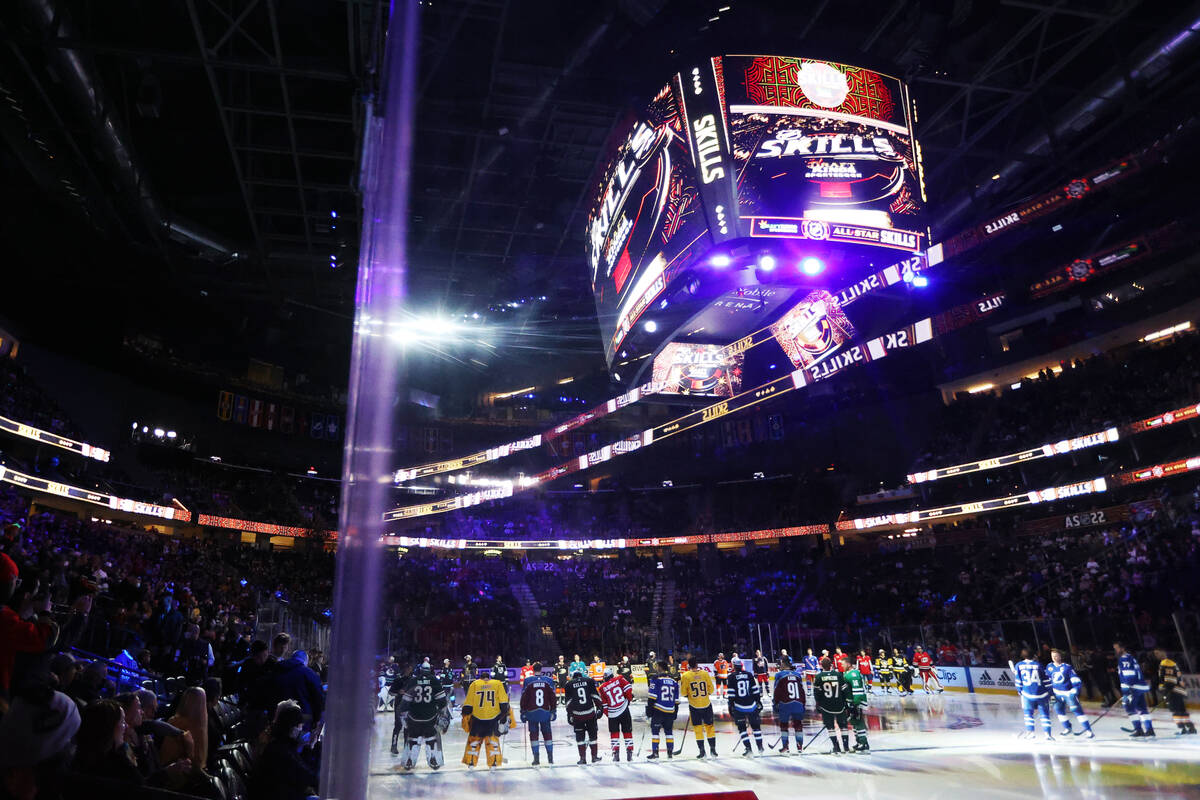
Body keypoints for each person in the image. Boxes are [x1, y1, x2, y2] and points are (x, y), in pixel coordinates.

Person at [0, 553, 58, 696]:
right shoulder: (5, 618)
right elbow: (43, 639)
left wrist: (23, 616)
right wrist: (45, 613)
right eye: (15, 581)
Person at [248, 700, 318, 800]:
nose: (302, 729)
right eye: (300, 726)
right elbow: (309, 778)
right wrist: (310, 748)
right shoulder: (281, 750)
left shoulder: (279, 743)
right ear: (292, 728)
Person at [72, 699, 144, 784]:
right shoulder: (118, 767)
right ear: (109, 727)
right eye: (123, 722)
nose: (126, 726)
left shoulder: (75, 758)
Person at [396, 662, 449, 771]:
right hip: (430, 717)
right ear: (430, 669)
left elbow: (405, 701)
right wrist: (442, 714)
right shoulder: (434, 681)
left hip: (414, 717)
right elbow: (443, 701)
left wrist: (402, 713)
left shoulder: (413, 680)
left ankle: (409, 761)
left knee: (413, 738)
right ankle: (434, 760)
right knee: (431, 737)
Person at [461, 666, 514, 768]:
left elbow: (468, 704)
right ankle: (493, 763)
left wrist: (465, 715)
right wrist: (505, 714)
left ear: (480, 678)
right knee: (492, 740)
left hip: (477, 717)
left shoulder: (475, 684)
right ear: (489, 677)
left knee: (474, 740)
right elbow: (504, 703)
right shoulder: (497, 684)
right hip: (493, 718)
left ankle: (471, 762)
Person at [159, 686, 210, 778]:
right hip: (179, 776)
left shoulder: (173, 720)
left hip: (167, 772)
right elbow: (194, 765)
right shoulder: (189, 725)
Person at [1046, 649, 1094, 738]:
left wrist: (1075, 689)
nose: (1054, 658)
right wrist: (1049, 693)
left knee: (1077, 711)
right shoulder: (1049, 667)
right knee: (1059, 711)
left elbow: (1075, 679)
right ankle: (1067, 728)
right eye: (1052, 656)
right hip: (1055, 694)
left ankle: (1088, 730)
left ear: (1060, 656)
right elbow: (1047, 680)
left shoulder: (1067, 667)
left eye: (1056, 656)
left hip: (1068, 693)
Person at [519, 661, 557, 765]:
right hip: (545, 712)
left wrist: (522, 712)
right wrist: (553, 710)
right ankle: (550, 758)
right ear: (542, 669)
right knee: (547, 734)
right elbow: (552, 697)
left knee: (534, 735)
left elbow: (524, 698)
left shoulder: (528, 680)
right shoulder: (548, 680)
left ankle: (536, 759)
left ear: (532, 669)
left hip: (532, 713)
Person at [1114, 641, 1155, 738]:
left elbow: (1129, 675)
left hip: (1133, 687)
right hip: (1140, 686)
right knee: (1142, 709)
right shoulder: (1130, 657)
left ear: (1122, 648)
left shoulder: (1124, 659)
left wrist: (1127, 691)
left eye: (1116, 648)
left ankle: (1138, 729)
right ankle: (1149, 730)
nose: (1115, 651)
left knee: (1129, 708)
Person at [564, 665, 603, 764]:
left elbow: (568, 703)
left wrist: (569, 715)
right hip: (590, 713)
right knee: (593, 736)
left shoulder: (569, 684)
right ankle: (594, 757)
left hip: (578, 715)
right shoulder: (589, 681)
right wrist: (600, 708)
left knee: (580, 738)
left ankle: (582, 759)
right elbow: (595, 696)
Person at [680, 658, 717, 759]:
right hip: (706, 704)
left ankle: (702, 752)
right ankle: (713, 750)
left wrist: (689, 696)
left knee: (698, 729)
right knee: (709, 727)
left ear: (689, 665)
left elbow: (683, 693)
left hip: (694, 706)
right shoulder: (705, 673)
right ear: (697, 664)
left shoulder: (685, 675)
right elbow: (711, 689)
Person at [814, 657, 852, 754]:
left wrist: (817, 704)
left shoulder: (818, 677)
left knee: (830, 727)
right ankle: (846, 747)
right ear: (831, 665)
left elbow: (817, 693)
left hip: (826, 706)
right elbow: (845, 690)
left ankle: (836, 747)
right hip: (839, 704)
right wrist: (848, 702)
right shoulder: (839, 675)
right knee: (843, 726)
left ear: (822, 666)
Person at [1014, 649, 1054, 741]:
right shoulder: (1038, 665)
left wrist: (1020, 691)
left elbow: (1018, 681)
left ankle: (1031, 733)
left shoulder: (1018, 665)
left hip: (1027, 694)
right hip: (1042, 694)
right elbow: (1046, 680)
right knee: (1045, 715)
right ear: (1034, 655)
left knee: (1028, 714)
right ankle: (1048, 735)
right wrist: (1050, 693)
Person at [1155, 649, 1196, 735]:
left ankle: (1182, 728)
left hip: (1172, 691)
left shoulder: (1164, 664)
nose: (1156, 655)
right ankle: (1191, 727)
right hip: (1179, 690)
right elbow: (1179, 678)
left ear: (1163, 652)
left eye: (1157, 653)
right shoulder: (1173, 663)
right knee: (1182, 710)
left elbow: (1167, 679)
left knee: (1175, 711)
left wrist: (1165, 689)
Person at [728, 657, 764, 756]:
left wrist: (730, 706)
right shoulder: (749, 674)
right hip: (751, 706)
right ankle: (760, 747)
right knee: (756, 728)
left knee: (742, 729)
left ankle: (748, 749)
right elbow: (755, 690)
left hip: (739, 707)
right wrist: (758, 702)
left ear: (734, 666)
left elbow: (731, 694)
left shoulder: (731, 676)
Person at [599, 665, 635, 761]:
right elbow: (628, 689)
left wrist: (608, 714)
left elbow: (604, 705)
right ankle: (629, 753)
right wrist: (629, 699)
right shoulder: (620, 679)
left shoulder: (602, 688)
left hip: (612, 713)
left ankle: (616, 754)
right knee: (627, 732)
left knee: (614, 733)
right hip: (624, 710)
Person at [645, 661, 680, 760]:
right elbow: (676, 700)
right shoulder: (674, 682)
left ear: (660, 668)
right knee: (669, 732)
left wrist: (649, 710)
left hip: (658, 710)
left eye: (657, 667)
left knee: (655, 732)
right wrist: (675, 711)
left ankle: (655, 753)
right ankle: (669, 753)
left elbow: (652, 697)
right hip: (670, 710)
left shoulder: (656, 680)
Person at [772, 656, 806, 753]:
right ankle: (800, 746)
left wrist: (775, 704)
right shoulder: (797, 675)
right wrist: (803, 703)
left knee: (784, 725)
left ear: (783, 663)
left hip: (785, 703)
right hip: (798, 703)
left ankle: (785, 746)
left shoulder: (779, 675)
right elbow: (802, 691)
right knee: (798, 724)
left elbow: (776, 691)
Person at [842, 660, 870, 752]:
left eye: (843, 664)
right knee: (854, 722)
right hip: (852, 702)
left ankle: (864, 743)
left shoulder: (853, 674)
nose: (842, 665)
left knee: (858, 721)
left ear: (849, 664)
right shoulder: (848, 673)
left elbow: (857, 690)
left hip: (856, 702)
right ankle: (859, 741)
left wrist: (855, 704)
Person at [388, 662, 412, 755]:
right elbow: (391, 692)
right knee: (398, 726)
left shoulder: (412, 680)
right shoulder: (398, 680)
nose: (409, 670)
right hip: (399, 706)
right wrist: (398, 692)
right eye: (408, 668)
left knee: (407, 727)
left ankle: (406, 746)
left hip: (409, 706)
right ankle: (393, 746)